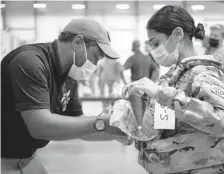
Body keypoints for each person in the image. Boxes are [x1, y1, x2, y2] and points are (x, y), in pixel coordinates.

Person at [122, 5, 224, 174]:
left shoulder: (204, 72)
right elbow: (167, 123)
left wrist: (161, 94)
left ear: (177, 34)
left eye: (156, 42)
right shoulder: (174, 75)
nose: (154, 50)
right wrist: (132, 126)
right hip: (175, 164)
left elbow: (220, 121)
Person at [1, 18, 130, 174]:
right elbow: (40, 126)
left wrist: (119, 131)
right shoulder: (30, 62)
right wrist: (100, 123)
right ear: (77, 42)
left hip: (29, 159)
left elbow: (79, 125)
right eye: (95, 57)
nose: (95, 66)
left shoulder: (69, 75)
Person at [124, 40, 158, 125]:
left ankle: (138, 130)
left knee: (137, 110)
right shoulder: (147, 58)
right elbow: (156, 70)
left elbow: (121, 69)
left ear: (134, 46)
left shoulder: (132, 58)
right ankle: (145, 130)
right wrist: (152, 81)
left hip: (135, 87)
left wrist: (125, 82)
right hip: (146, 86)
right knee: (146, 109)